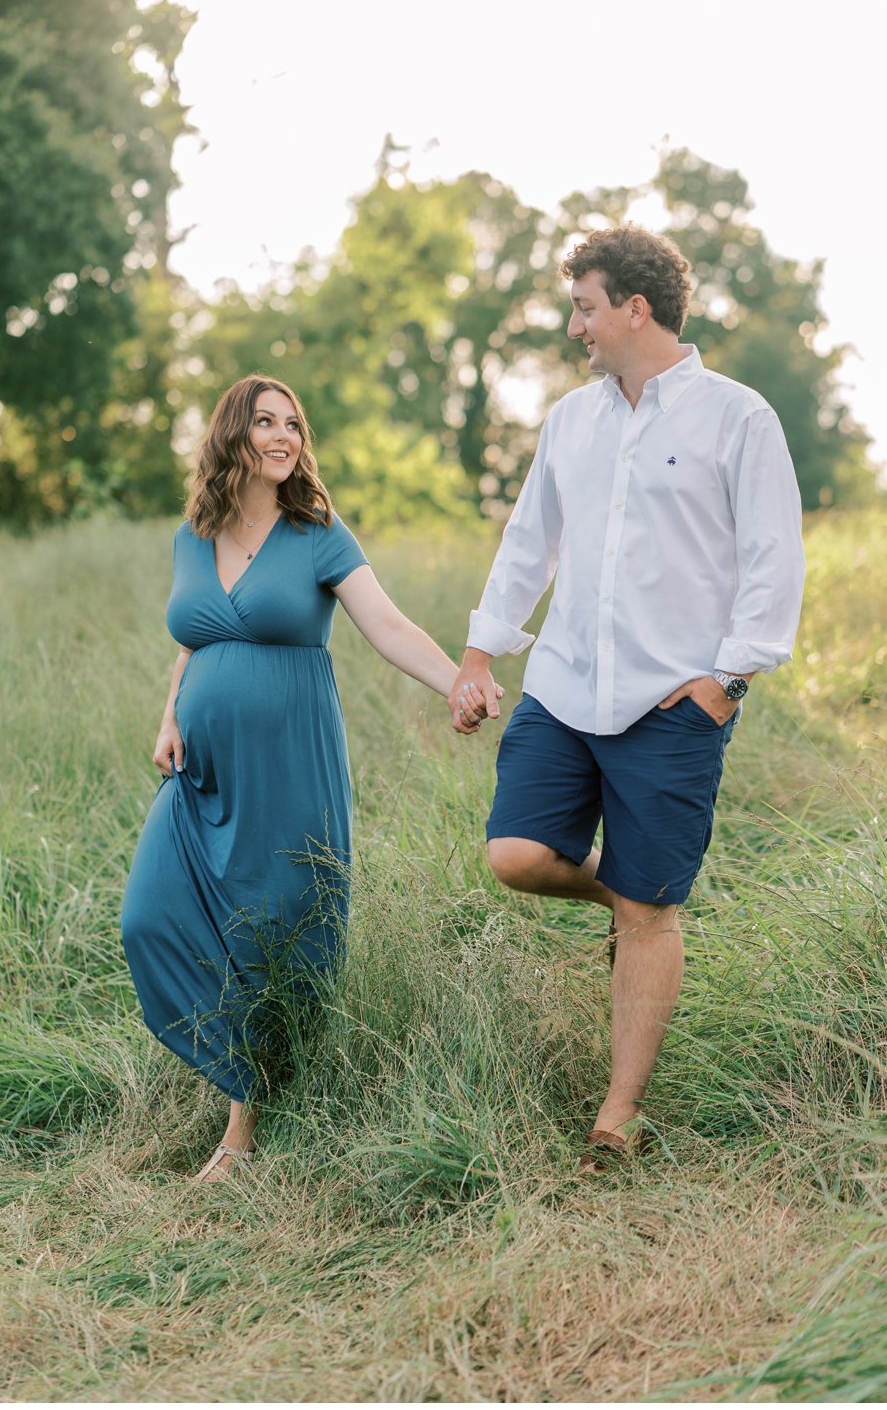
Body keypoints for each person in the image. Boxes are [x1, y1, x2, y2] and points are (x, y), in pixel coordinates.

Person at [447, 225, 804, 1174]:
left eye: (586, 307)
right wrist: (482, 654)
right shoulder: (571, 421)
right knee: (516, 855)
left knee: (650, 917)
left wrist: (726, 683)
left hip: (674, 706)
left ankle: (618, 1114)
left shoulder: (738, 418)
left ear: (633, 309)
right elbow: (530, 543)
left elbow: (774, 560)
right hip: (564, 688)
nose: (577, 328)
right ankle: (638, 897)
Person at [119, 374, 497, 1182]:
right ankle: (244, 1069)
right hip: (202, 769)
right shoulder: (194, 533)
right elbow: (193, 636)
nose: (284, 436)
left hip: (289, 760)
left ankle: (243, 1129)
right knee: (148, 916)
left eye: (293, 423)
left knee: (266, 930)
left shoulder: (318, 530)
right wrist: (169, 713)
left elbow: (387, 625)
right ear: (234, 435)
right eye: (265, 422)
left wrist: (457, 686)